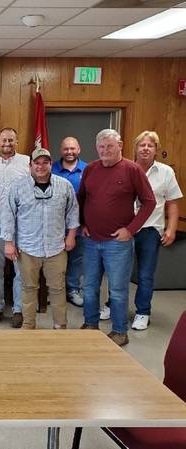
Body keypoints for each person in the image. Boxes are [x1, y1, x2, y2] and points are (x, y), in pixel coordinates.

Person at [77, 129, 155, 347]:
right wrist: (83, 223)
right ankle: (90, 325)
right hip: (91, 241)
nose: (105, 151)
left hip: (117, 243)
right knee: (90, 287)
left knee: (118, 290)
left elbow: (149, 202)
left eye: (109, 146)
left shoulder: (132, 170)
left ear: (120, 145)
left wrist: (131, 230)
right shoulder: (91, 169)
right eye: (101, 147)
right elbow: (81, 198)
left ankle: (120, 331)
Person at [1, 148, 79, 330]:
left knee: (58, 289)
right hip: (27, 248)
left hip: (56, 248)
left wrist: (72, 236)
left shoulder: (64, 185)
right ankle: (29, 326)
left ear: (51, 164)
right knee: (28, 288)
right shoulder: (17, 187)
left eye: (45, 162)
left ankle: (60, 325)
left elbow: (73, 212)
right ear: (30, 166)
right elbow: (8, 215)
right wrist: (8, 242)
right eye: (37, 163)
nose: (41, 166)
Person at [131, 131, 183, 330]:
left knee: (145, 274)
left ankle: (143, 312)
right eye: (142, 145)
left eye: (150, 146)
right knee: (118, 271)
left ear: (155, 150)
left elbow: (172, 203)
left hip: (150, 230)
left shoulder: (165, 172)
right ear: (135, 148)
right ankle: (112, 304)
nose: (145, 148)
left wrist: (171, 229)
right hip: (125, 229)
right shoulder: (125, 168)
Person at [0, 128, 29, 327]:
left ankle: (19, 309)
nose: (7, 143)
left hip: (22, 224)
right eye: (4, 140)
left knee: (21, 270)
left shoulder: (27, 162)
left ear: (16, 142)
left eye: (11, 140)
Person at [51, 136, 88, 307]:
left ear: (79, 149)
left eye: (72, 148)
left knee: (75, 260)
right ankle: (55, 290)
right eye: (66, 149)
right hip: (55, 225)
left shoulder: (88, 170)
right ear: (61, 150)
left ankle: (72, 290)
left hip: (79, 225)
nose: (69, 152)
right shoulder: (52, 169)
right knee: (54, 260)